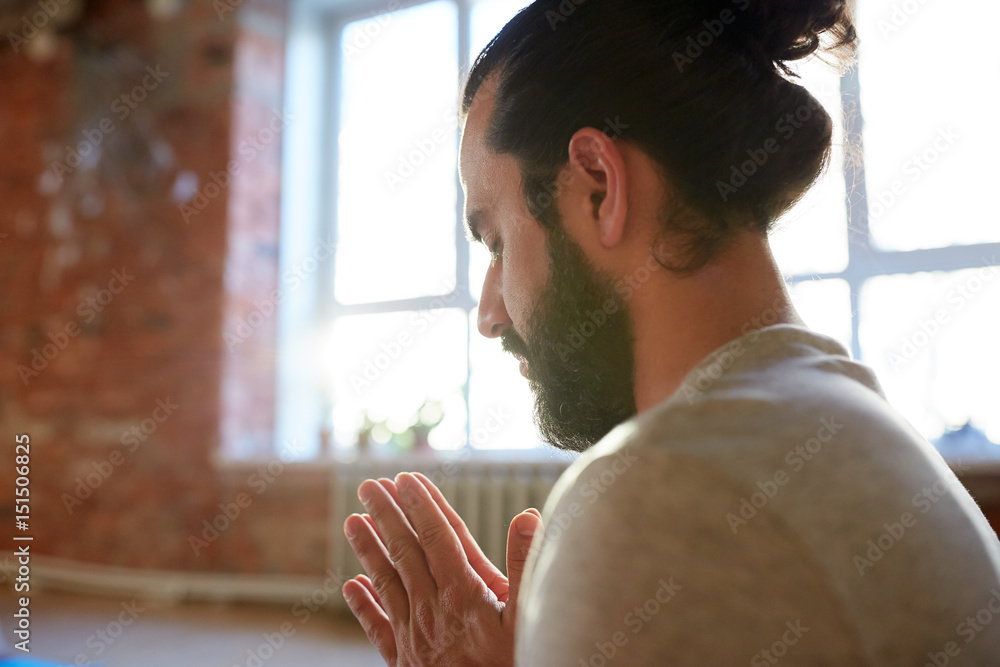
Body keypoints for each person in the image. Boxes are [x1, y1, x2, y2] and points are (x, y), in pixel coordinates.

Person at [340, 0, 1000, 664]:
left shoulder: (661, 498)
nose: (490, 312)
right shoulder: (852, 422)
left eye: (496, 242)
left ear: (599, 187)